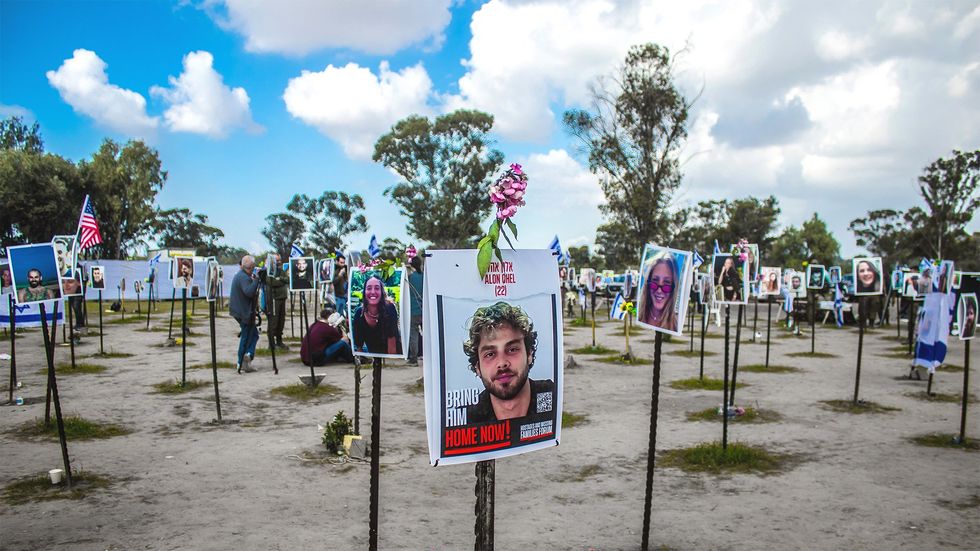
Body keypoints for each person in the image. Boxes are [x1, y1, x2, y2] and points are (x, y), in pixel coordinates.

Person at [464, 302, 555, 423]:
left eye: (512, 349)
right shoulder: (466, 418)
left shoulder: (554, 396)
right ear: (477, 367)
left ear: (529, 354)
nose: (502, 363)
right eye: (490, 354)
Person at [352, 275, 402, 355]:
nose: (373, 292)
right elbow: (359, 347)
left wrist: (391, 362)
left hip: (392, 355)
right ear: (364, 292)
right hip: (372, 356)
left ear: (381, 292)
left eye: (377, 288)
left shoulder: (390, 309)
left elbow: (392, 343)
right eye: (369, 288)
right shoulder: (359, 313)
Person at [230, 255, 260, 373]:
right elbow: (248, 292)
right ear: (251, 266)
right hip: (244, 312)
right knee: (247, 336)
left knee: (253, 334)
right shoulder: (243, 277)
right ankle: (243, 359)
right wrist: (257, 280)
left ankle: (247, 356)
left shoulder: (240, 275)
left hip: (240, 310)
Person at [639, 251, 679, 331]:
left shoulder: (676, 325)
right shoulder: (639, 316)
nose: (659, 290)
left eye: (666, 283)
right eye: (655, 281)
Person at [265, 254, 289, 350]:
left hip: (282, 298)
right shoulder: (268, 271)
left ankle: (279, 341)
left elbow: (287, 279)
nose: (279, 262)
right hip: (274, 299)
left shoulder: (281, 271)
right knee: (274, 321)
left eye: (280, 260)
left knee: (281, 321)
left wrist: (281, 279)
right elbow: (272, 282)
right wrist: (281, 281)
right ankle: (271, 344)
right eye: (277, 260)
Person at [406, 256, 424, 366]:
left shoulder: (410, 278)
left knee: (413, 335)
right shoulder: (424, 277)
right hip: (424, 311)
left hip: (413, 310)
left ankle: (413, 359)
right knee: (427, 335)